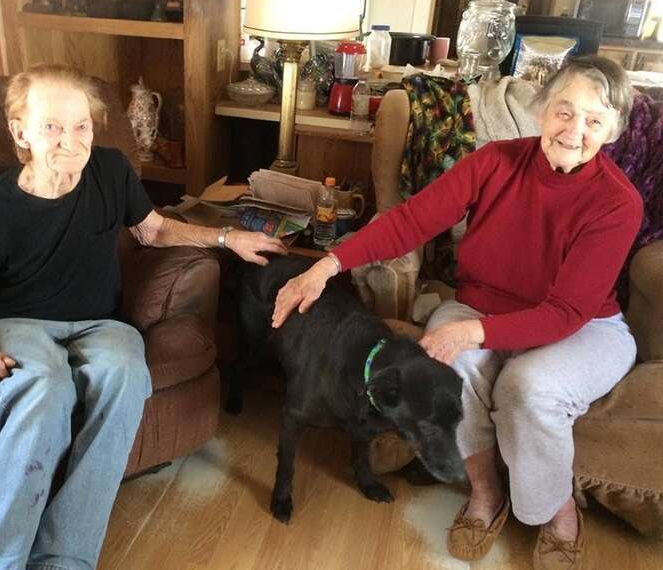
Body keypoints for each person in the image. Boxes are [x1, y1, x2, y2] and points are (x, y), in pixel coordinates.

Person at [271, 55, 642, 570]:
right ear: (541, 112)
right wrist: (327, 266)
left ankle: (558, 514)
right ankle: (486, 494)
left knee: (528, 388)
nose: (574, 131)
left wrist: (473, 331)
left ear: (614, 131)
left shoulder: (617, 202)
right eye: (564, 111)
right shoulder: (495, 162)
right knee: (449, 369)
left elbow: (567, 311)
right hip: (482, 304)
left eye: (594, 120)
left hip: (583, 326)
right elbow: (410, 220)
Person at [0, 63, 286, 570]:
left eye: (81, 125)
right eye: (52, 127)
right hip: (22, 324)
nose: (71, 140)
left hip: (100, 323)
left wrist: (227, 238)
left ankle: (64, 559)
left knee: (127, 373)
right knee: (46, 390)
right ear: (20, 130)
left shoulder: (110, 170)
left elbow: (153, 231)